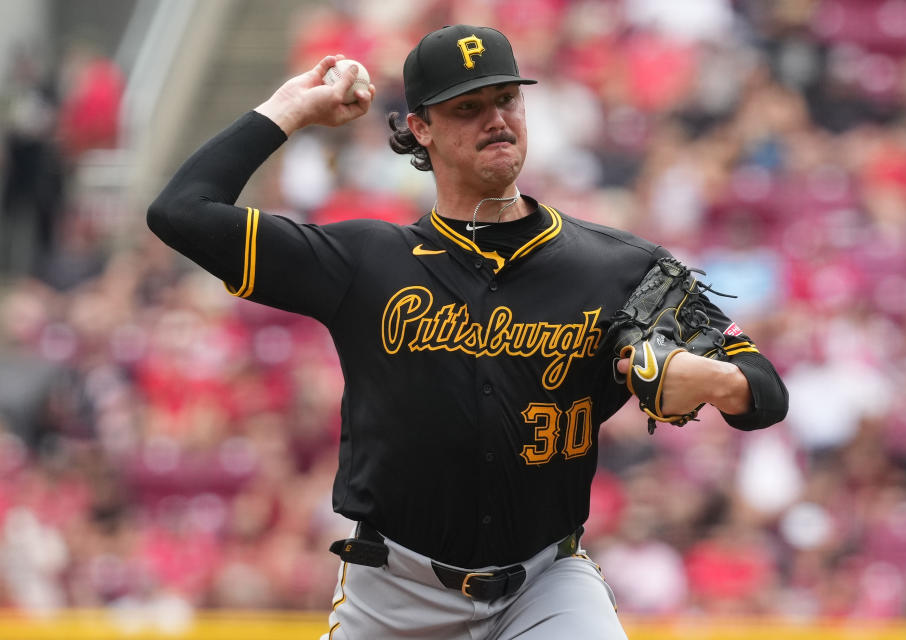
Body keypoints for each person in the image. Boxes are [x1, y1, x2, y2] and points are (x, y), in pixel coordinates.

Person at [147, 24, 788, 640]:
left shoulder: (618, 268)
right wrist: (290, 108)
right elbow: (182, 213)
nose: (495, 119)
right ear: (419, 128)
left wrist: (712, 379)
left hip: (544, 587)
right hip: (394, 597)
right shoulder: (364, 262)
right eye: (467, 107)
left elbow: (767, 391)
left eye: (506, 98)